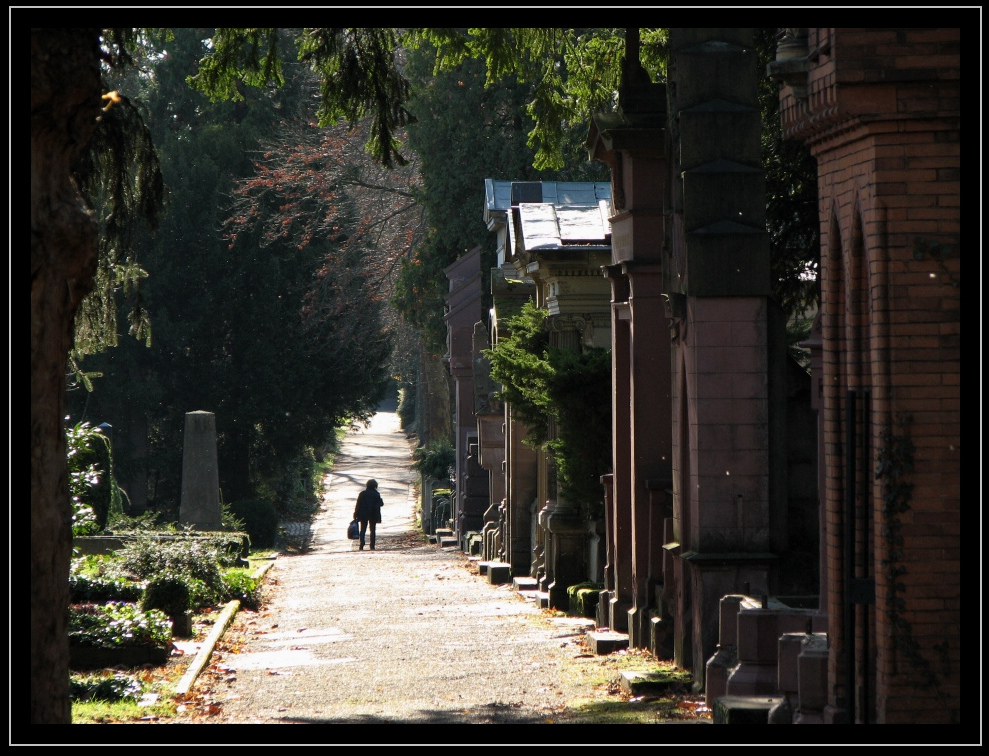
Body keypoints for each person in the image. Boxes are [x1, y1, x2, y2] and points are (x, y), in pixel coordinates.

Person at [353, 479, 383, 551]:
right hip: (373, 514)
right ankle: (372, 545)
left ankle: (362, 543)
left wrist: (356, 513)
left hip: (363, 514)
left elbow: (358, 505)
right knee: (372, 530)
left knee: (363, 529)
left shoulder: (362, 494)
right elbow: (381, 504)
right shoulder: (376, 494)